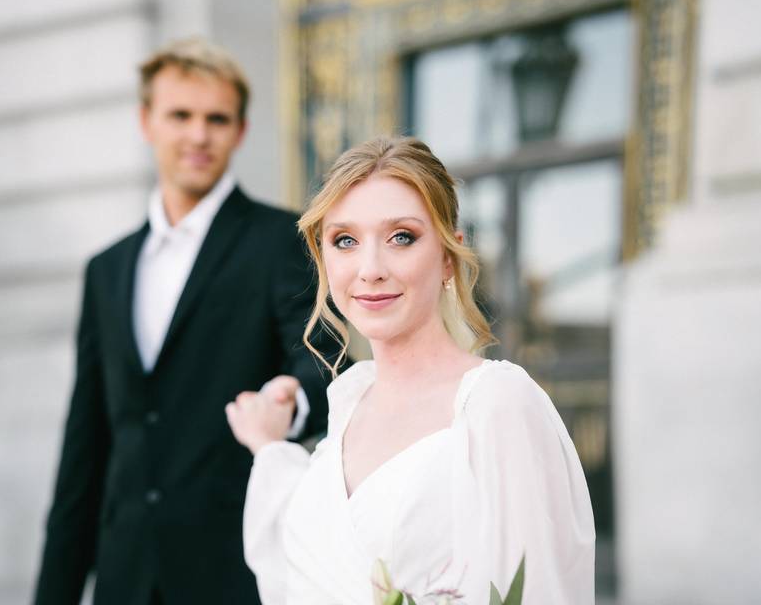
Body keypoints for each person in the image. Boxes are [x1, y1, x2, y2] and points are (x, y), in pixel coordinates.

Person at [226, 137, 595, 604]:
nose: (370, 268)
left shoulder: (495, 403)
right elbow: (319, 556)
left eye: (402, 236)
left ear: (448, 255)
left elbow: (538, 588)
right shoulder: (347, 404)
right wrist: (268, 445)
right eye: (345, 241)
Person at [33, 37, 335, 605]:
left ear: (241, 131)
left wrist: (287, 400)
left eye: (217, 119)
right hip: (124, 577)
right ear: (146, 121)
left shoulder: (282, 240)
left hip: (234, 572)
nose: (199, 135)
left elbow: (325, 358)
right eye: (181, 115)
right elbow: (86, 446)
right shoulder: (107, 269)